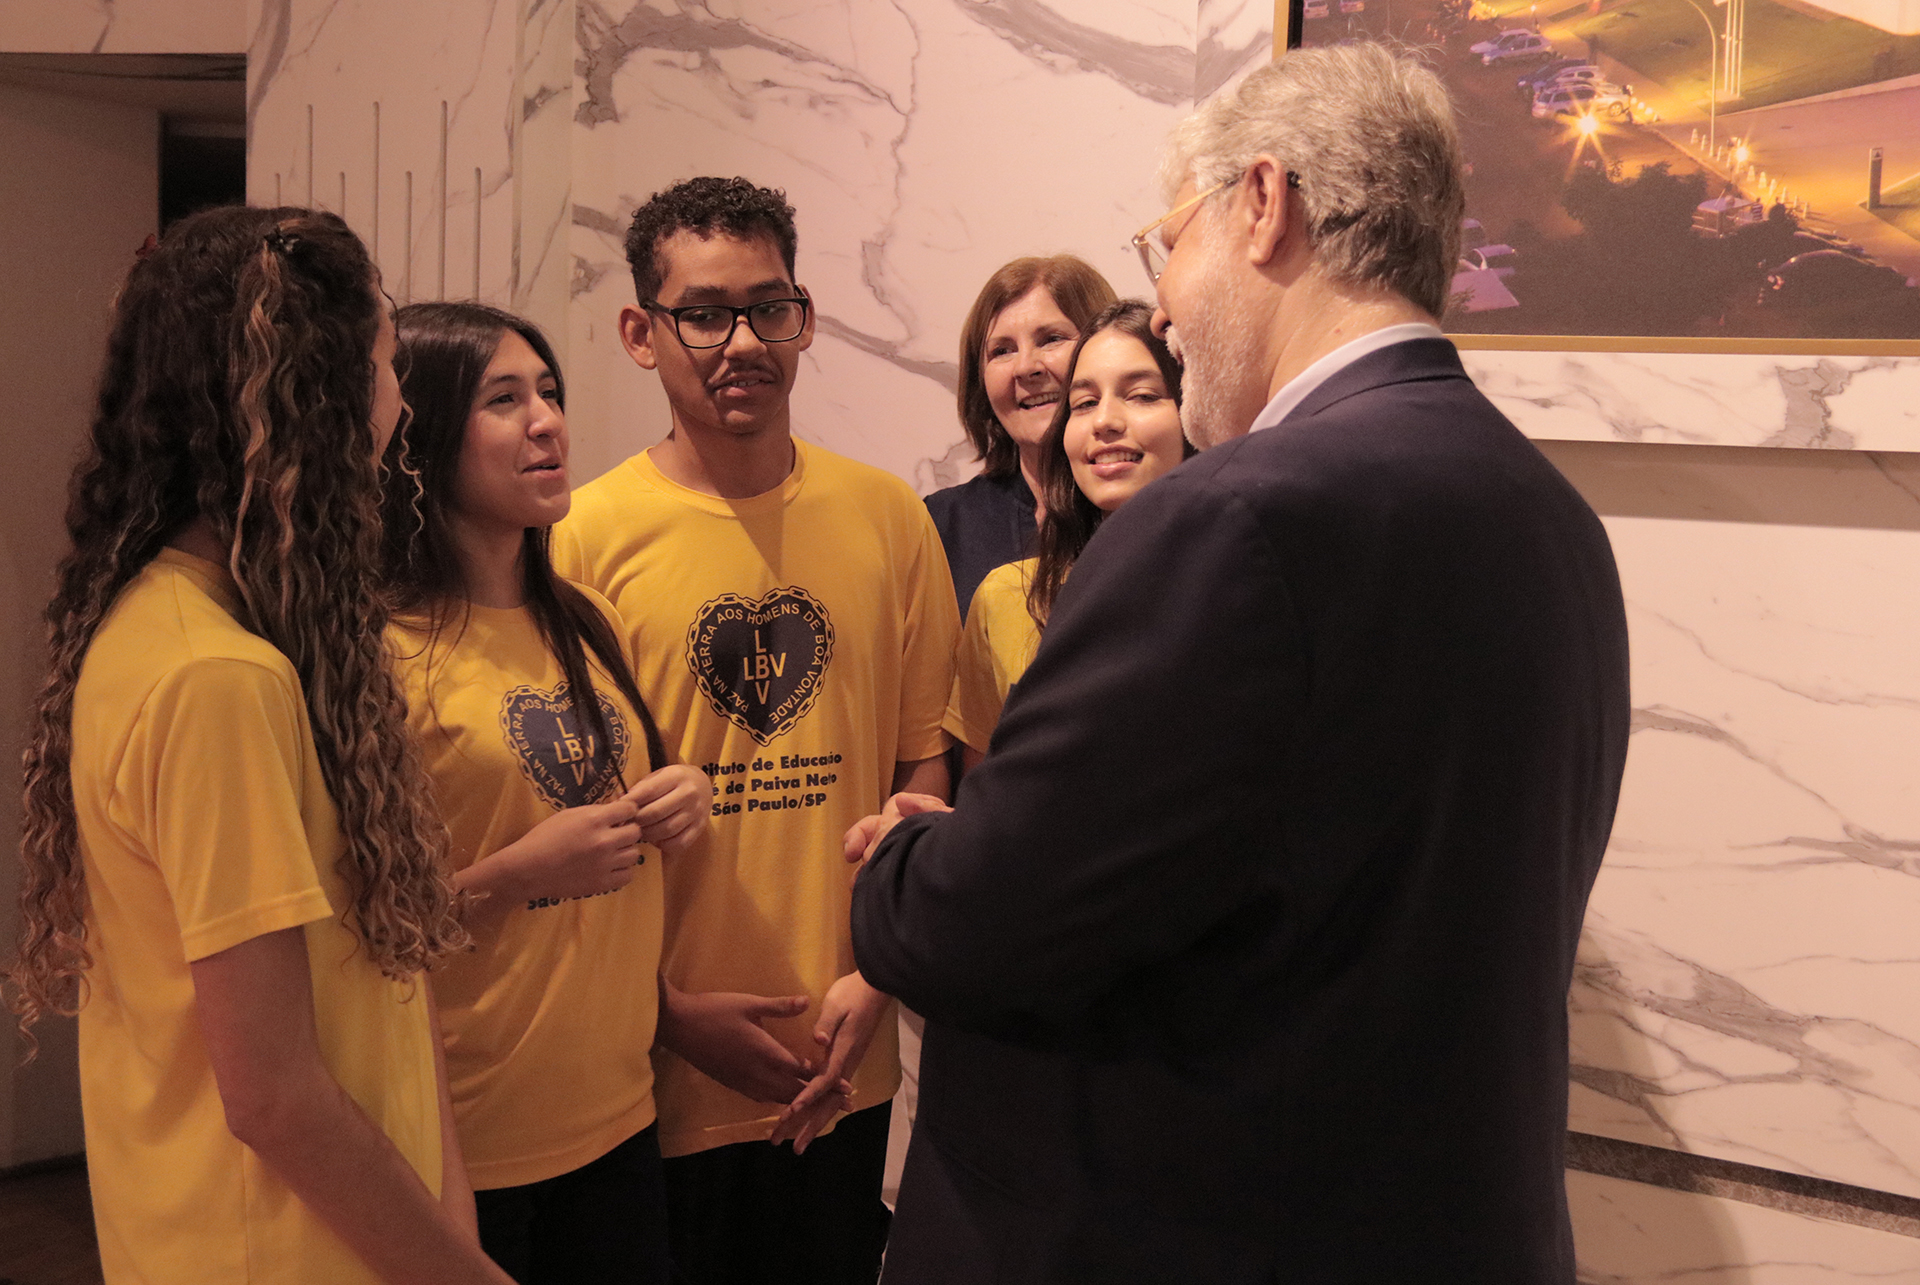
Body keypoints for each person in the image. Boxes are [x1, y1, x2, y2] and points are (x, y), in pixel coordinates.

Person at [849, 43, 1631, 1284]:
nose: (1161, 306)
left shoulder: (1233, 517)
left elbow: (978, 925)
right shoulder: (1553, 516)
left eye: (1170, 244)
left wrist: (901, 860)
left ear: (1263, 204)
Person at [4, 207, 514, 1285]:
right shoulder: (215, 679)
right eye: (385, 361)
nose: (401, 400)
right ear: (316, 395)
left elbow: (381, 990)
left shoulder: (185, 628)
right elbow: (274, 1095)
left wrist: (449, 1218)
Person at [551, 175, 960, 1285]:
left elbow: (921, 771)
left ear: (805, 318)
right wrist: (666, 1013)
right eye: (703, 313)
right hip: (649, 1075)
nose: (741, 342)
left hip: (843, 1058)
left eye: (768, 308)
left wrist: (880, 970)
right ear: (641, 332)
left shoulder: (888, 516)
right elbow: (563, 826)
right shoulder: (580, 541)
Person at [381, 302, 711, 1284]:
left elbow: (611, 806)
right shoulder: (381, 651)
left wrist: (680, 791)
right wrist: (519, 874)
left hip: (619, 1113)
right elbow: (362, 933)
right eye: (504, 399)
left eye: (551, 392)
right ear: (424, 435)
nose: (547, 422)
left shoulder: (587, 617)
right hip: (470, 1140)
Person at [945, 298, 1191, 772]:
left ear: (1193, 408)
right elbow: (988, 798)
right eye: (1083, 403)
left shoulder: (1250, 585)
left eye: (1142, 395)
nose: (1104, 421)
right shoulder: (1006, 598)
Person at [924, 257, 1116, 618]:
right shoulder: (939, 526)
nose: (1026, 367)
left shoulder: (1155, 510)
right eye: (1002, 350)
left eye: (1052, 339)